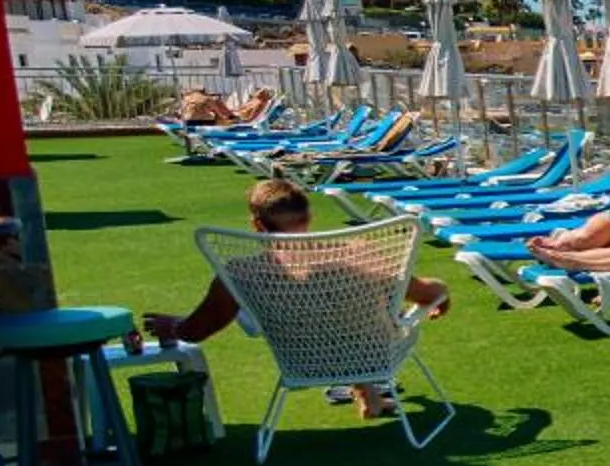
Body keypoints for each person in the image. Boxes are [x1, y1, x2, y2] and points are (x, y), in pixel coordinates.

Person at [147, 178, 451, 419]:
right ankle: (367, 391)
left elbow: (197, 330)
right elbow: (431, 292)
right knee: (349, 319)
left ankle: (368, 396)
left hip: (302, 363)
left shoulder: (242, 274)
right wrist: (442, 294)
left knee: (323, 318)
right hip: (374, 356)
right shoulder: (360, 258)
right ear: (310, 216)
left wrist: (175, 327)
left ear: (257, 225)